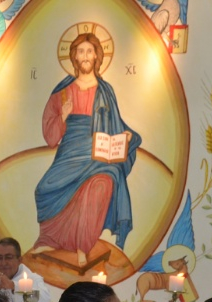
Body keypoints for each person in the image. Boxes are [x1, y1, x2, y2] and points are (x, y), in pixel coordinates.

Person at [33, 31, 141, 265]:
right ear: (73, 57)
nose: (85, 56)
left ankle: (83, 245)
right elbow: (51, 136)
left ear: (96, 57)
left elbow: (116, 124)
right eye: (80, 51)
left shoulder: (106, 91)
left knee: (99, 185)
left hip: (99, 154)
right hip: (71, 150)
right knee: (44, 188)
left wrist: (126, 135)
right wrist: (62, 116)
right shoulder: (62, 90)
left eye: (89, 51)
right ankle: (50, 238)